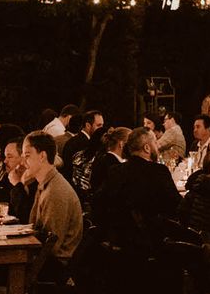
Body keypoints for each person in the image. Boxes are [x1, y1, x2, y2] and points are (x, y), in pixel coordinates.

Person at [92, 127, 181, 248]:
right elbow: (175, 204)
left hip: (119, 240)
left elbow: (99, 200)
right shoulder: (159, 171)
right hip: (152, 242)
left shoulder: (115, 171)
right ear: (147, 147)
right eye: (155, 142)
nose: (157, 146)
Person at [23, 131, 83, 262]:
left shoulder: (55, 191)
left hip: (52, 266)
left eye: (27, 156)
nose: (23, 162)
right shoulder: (45, 183)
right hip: (43, 259)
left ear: (42, 156)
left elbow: (51, 247)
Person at [61, 109, 104, 184]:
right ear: (88, 125)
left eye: (102, 125)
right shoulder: (83, 144)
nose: (102, 129)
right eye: (98, 125)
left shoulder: (74, 141)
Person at [88, 127, 131, 195]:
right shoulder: (113, 165)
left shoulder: (103, 158)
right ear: (121, 144)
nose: (133, 147)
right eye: (130, 143)